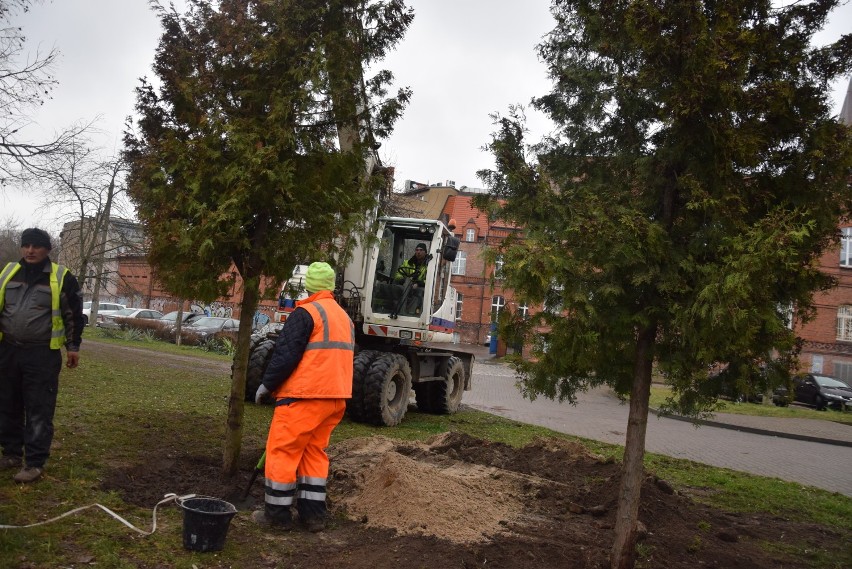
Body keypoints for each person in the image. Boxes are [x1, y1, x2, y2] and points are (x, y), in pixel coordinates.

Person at [253, 261, 354, 532]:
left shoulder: (306, 312)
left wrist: (267, 385)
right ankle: (313, 516)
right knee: (313, 453)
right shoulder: (343, 317)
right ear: (331, 286)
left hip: (304, 396)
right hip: (335, 398)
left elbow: (285, 354)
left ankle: (277, 516)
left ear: (308, 285)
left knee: (282, 451)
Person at [0, 228, 83, 483]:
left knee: (39, 409)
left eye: (36, 246)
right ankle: (11, 453)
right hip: (8, 350)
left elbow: (74, 315)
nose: (30, 251)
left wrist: (73, 347)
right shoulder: (8, 272)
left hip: (41, 354)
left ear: (47, 249)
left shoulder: (62, 277)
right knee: (7, 404)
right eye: (26, 245)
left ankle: (34, 462)